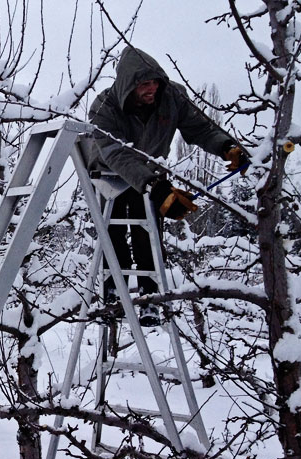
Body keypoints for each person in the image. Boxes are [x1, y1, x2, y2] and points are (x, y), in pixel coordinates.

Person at [85, 46, 246, 325]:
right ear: (129, 85)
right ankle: (114, 292)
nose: (152, 89)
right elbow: (117, 153)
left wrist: (227, 147)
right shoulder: (104, 107)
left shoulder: (172, 97)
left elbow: (201, 128)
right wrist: (155, 187)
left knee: (147, 230)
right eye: (144, 84)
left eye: (155, 83)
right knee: (113, 230)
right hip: (110, 174)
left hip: (150, 171)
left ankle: (149, 296)